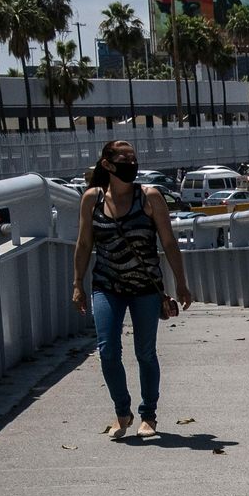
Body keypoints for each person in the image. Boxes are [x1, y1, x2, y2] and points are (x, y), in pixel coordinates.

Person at [73, 139, 193, 440]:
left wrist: (181, 282)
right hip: (106, 285)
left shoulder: (150, 197)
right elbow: (84, 243)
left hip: (144, 287)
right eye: (124, 158)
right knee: (108, 351)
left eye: (133, 157)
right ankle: (122, 411)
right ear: (107, 165)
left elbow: (168, 242)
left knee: (145, 352)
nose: (132, 163)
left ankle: (148, 415)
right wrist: (77, 283)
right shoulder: (92, 198)